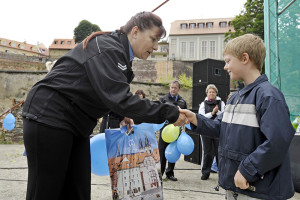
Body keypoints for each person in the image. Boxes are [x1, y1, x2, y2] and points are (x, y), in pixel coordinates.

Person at [22, 11, 188, 200]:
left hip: (76, 124)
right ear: (135, 32)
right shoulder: (109, 48)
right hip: (49, 117)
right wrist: (169, 112)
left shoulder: (120, 53)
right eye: (153, 39)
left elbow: (102, 92)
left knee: (78, 192)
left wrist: (120, 114)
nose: (156, 47)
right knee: (46, 192)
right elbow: (120, 98)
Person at [179, 34, 295, 200]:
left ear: (245, 58)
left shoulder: (268, 96)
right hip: (236, 188)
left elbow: (277, 142)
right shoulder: (235, 97)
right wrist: (194, 118)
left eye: (228, 61)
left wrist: (246, 171)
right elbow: (221, 127)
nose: (225, 67)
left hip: (259, 192)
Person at [158, 80, 187, 181]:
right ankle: (160, 173)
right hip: (165, 130)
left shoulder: (182, 101)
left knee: (173, 151)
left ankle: (170, 173)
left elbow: (185, 115)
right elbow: (158, 112)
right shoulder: (163, 99)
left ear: (179, 89)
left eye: (175, 87)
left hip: (176, 130)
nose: (173, 89)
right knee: (161, 152)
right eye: (171, 87)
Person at [198, 84, 225, 180]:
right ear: (207, 93)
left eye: (213, 92)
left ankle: (221, 174)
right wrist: (212, 113)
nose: (211, 93)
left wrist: (217, 112)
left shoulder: (221, 103)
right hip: (206, 131)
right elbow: (201, 117)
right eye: (210, 92)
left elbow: (224, 115)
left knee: (219, 152)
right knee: (208, 152)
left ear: (216, 93)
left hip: (218, 131)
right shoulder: (203, 104)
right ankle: (205, 172)